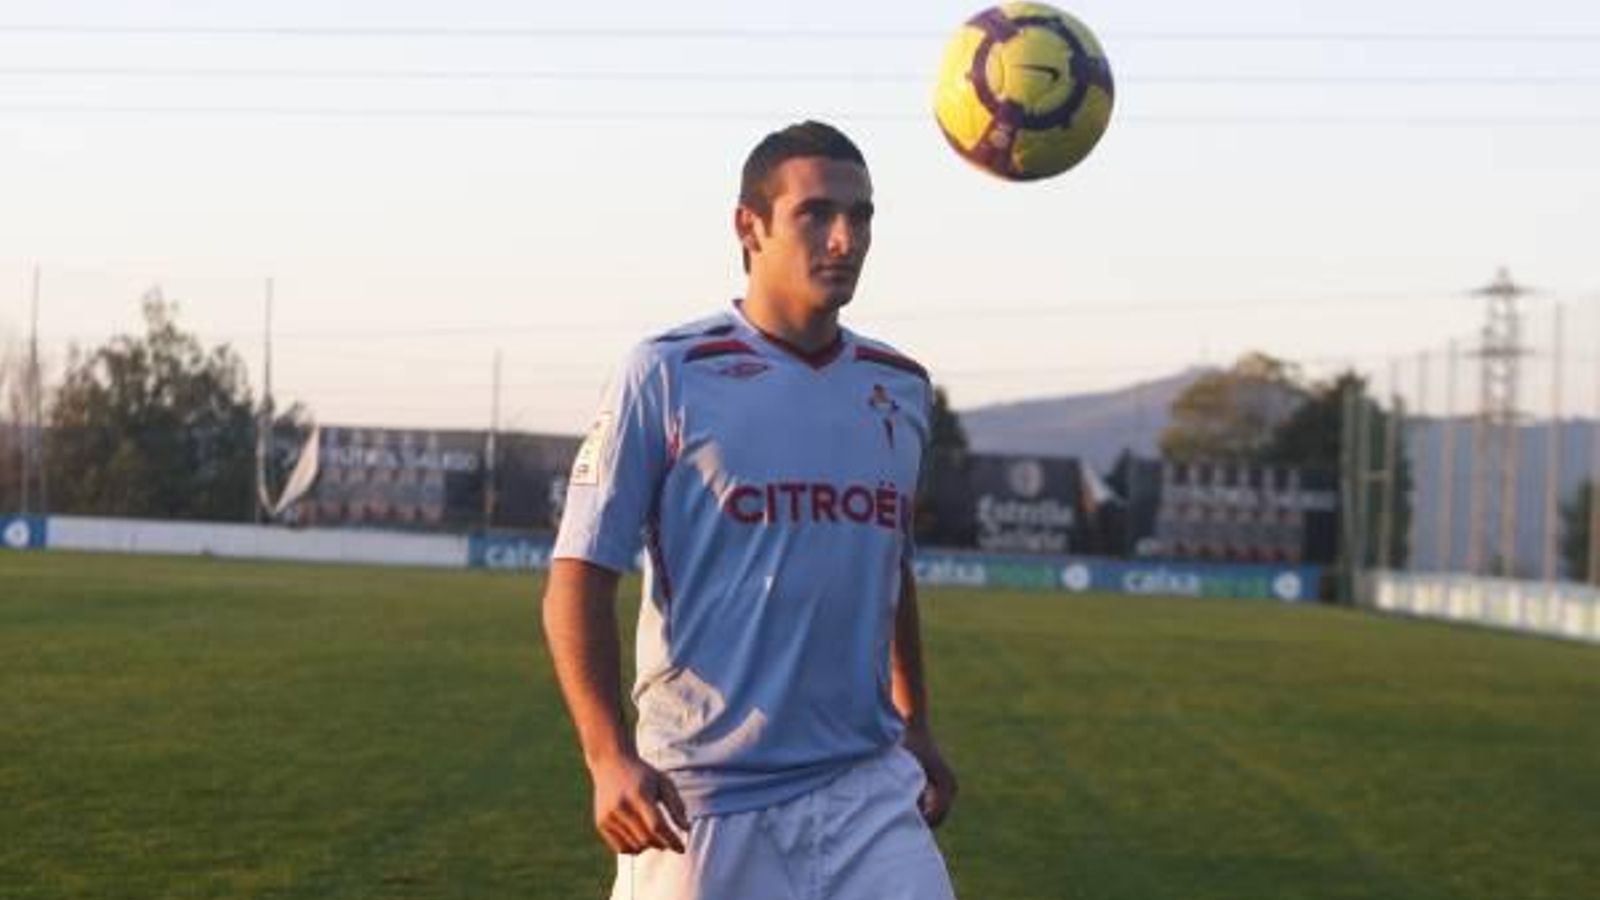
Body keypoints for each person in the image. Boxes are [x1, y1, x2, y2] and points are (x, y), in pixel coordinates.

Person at [542, 120, 958, 900]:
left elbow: (888, 568)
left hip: (866, 788)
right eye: (816, 213)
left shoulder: (900, 385)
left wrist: (916, 724)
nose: (845, 238)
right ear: (750, 226)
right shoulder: (667, 372)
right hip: (703, 794)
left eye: (861, 215)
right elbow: (579, 574)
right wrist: (607, 757)